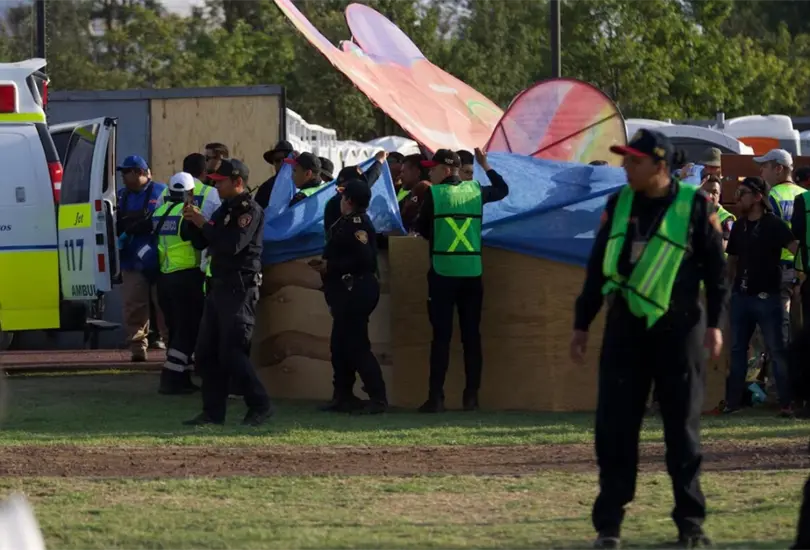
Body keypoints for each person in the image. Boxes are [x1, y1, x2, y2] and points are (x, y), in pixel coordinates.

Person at [570, 129, 726, 549]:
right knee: (615, 429)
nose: (625, 167)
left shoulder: (694, 206)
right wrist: (582, 323)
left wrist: (716, 324)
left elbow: (715, 270)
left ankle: (690, 524)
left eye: (633, 161)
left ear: (659, 166)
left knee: (682, 431)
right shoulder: (617, 204)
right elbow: (597, 267)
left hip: (681, 330)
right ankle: (609, 527)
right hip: (626, 329)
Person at [413, 148, 509, 413]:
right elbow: (502, 190)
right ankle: (471, 397)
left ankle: (436, 398)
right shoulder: (476, 190)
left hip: (443, 273)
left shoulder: (434, 193)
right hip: (472, 273)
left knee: (441, 338)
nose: (428, 172)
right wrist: (486, 165)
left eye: (432, 168)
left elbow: (420, 228)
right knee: (471, 337)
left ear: (445, 170)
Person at [181, 159, 272, 426]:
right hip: (219, 287)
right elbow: (202, 241)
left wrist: (204, 224)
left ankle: (260, 404)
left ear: (237, 182)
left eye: (221, 181)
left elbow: (231, 245)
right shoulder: (225, 209)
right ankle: (212, 412)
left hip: (239, 287)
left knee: (232, 351)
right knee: (207, 352)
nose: (215, 184)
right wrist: (192, 221)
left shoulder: (249, 211)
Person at [311, 179, 388, 414]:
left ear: (350, 201)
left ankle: (378, 397)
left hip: (357, 289)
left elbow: (364, 259)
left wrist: (330, 267)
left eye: (344, 197)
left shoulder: (358, 226)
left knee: (356, 346)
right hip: (347, 291)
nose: (340, 200)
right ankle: (343, 395)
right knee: (340, 345)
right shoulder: (346, 223)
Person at [724, 176, 798, 416]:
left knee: (777, 350)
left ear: (757, 197)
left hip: (769, 297)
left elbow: (795, 249)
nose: (737, 198)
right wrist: (729, 288)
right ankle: (733, 403)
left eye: (743, 193)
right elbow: (732, 259)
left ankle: (786, 403)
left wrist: (798, 276)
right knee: (737, 350)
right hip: (741, 297)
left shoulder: (774, 224)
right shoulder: (739, 225)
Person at [152, 172, 206, 395]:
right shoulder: (187, 214)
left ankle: (182, 377)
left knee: (175, 328)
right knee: (188, 330)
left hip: (164, 278)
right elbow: (202, 241)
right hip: (186, 278)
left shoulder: (159, 212)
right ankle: (172, 378)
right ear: (189, 193)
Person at [115, 155, 169, 362]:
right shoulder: (121, 196)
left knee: (165, 306)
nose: (123, 176)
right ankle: (138, 348)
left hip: (160, 261)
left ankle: (173, 351)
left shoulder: (162, 191)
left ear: (139, 172)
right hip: (131, 261)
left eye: (126, 172)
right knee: (133, 306)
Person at [758, 149, 804, 340]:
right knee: (801, 320)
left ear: (778, 169)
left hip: (780, 266)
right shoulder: (805, 194)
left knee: (780, 320)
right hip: (804, 266)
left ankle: (781, 364)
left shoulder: (773, 196)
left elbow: (768, 234)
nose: (761, 172)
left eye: (764, 166)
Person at [324, 152, 386, 233]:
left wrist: (379, 161)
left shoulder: (343, 198)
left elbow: (369, 179)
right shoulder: (338, 202)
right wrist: (379, 162)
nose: (360, 186)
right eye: (357, 183)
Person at [255, 140, 295, 209]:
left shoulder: (300, 182)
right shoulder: (267, 187)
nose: (278, 164)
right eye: (276, 160)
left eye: (284, 160)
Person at [398, 154, 432, 232]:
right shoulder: (410, 194)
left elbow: (406, 219)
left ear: (417, 172)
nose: (400, 176)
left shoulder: (423, 189)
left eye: (403, 172)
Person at [700, 175, 735, 250]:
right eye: (705, 191)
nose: (709, 195)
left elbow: (723, 246)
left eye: (714, 192)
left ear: (719, 195)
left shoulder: (727, 218)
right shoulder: (693, 212)